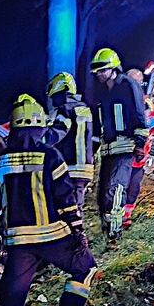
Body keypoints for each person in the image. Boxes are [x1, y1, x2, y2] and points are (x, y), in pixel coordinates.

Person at [0, 96, 97, 306]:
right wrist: (77, 230)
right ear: (40, 126)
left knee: (11, 298)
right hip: (53, 237)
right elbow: (66, 198)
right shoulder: (50, 155)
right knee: (85, 268)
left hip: (18, 243)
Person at [90, 48, 148, 246]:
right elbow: (100, 125)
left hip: (124, 147)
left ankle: (115, 236)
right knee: (102, 195)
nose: (99, 74)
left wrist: (140, 143)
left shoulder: (128, 85)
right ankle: (107, 232)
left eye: (102, 70)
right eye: (96, 71)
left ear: (114, 68)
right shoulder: (103, 92)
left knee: (114, 191)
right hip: (107, 149)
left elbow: (139, 115)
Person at [45, 72, 95, 211]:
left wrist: (38, 143)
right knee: (76, 206)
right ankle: (77, 230)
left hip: (69, 167)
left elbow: (56, 133)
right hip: (85, 168)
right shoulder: (84, 109)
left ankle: (75, 232)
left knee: (67, 208)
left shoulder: (65, 110)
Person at [123, 81, 154, 230]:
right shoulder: (120, 100)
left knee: (133, 187)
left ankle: (126, 217)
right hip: (122, 155)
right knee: (119, 187)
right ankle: (116, 217)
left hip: (138, 159)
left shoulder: (146, 103)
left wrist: (148, 122)